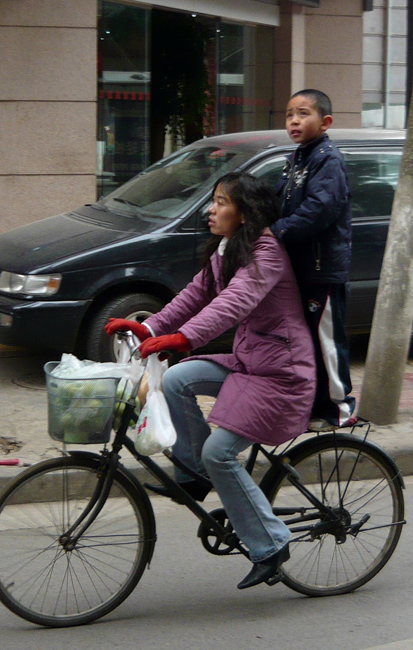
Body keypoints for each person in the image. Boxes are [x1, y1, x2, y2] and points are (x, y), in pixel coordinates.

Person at [104, 172, 316, 590]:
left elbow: (232, 303)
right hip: (249, 360)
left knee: (221, 451)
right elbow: (195, 295)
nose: (211, 209)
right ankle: (195, 473)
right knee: (178, 378)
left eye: (221, 202)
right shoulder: (226, 249)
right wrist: (151, 328)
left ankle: (271, 544)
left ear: (245, 213)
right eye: (213, 200)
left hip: (282, 372)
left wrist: (184, 338)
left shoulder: (266, 251)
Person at [272, 88, 356, 429]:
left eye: (303, 113)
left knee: (327, 341)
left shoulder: (327, 160)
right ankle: (312, 406)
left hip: (323, 270)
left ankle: (340, 409)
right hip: (302, 268)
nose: (294, 120)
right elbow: (279, 201)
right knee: (307, 342)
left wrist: (277, 230)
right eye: (290, 114)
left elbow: (319, 209)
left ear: (325, 122)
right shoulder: (297, 159)